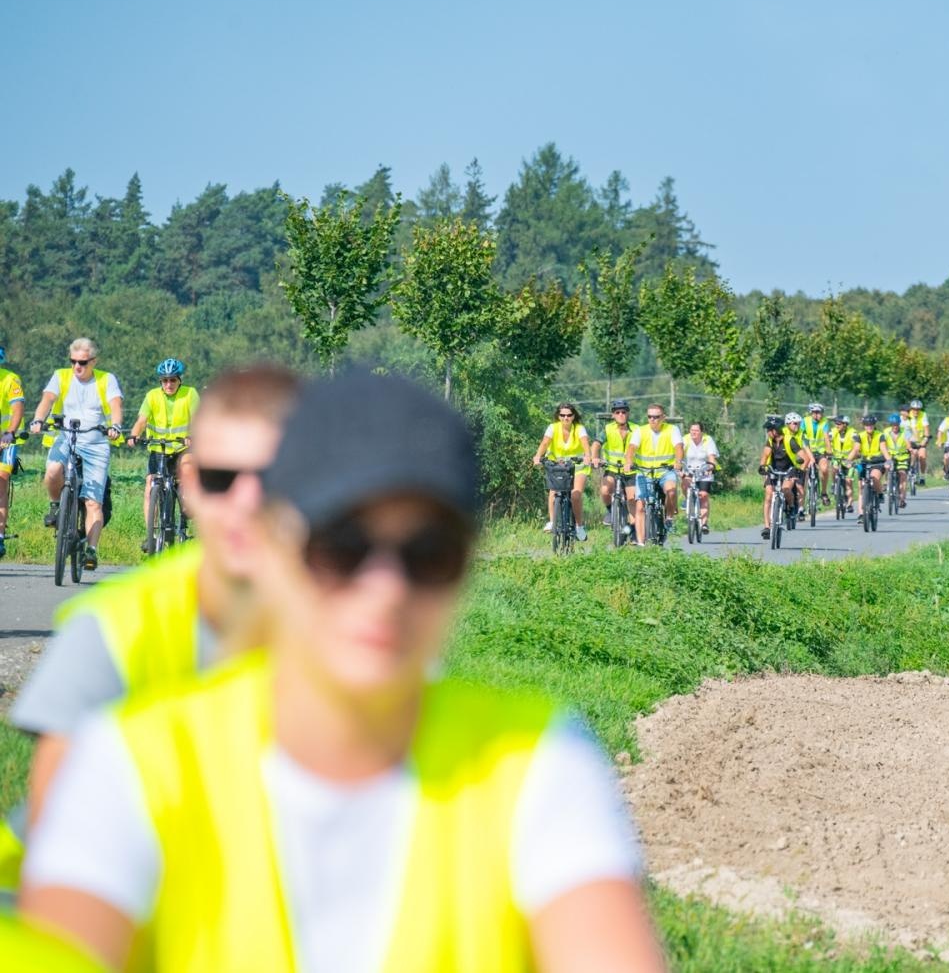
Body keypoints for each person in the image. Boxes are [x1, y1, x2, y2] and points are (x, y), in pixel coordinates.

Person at [21, 372, 666, 973]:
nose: (384, 589)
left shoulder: (540, 763)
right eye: (343, 548)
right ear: (271, 545)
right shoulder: (135, 765)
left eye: (428, 555)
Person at [4, 366, 301, 889]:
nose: (246, 502)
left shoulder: (369, 623)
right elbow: (54, 852)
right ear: (193, 483)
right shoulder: (108, 633)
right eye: (220, 478)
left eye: (273, 478)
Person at [29, 339, 123, 571]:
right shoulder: (60, 376)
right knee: (52, 471)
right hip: (66, 438)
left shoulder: (105, 379)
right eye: (73, 362)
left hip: (95, 444)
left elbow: (115, 405)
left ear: (93, 361)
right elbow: (47, 400)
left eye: (82, 362)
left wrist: (116, 425)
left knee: (93, 502)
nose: (77, 367)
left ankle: (91, 550)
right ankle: (55, 506)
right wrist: (38, 420)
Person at [127, 358, 201, 554]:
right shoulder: (152, 396)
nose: (168, 385)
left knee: (187, 468)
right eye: (165, 381)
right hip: (158, 449)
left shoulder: (190, 394)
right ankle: (151, 535)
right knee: (150, 485)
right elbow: (142, 420)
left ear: (179, 381)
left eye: (173, 381)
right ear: (160, 382)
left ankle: (187, 503)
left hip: (181, 448)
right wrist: (134, 435)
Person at [622, 404, 683, 544]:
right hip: (645, 472)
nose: (653, 420)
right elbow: (631, 448)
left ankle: (668, 518)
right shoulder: (640, 431)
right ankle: (641, 543)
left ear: (663, 417)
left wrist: (678, 461)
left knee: (671, 491)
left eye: (656, 417)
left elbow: (679, 447)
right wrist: (629, 461)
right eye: (650, 416)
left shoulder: (672, 430)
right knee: (640, 505)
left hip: (665, 471)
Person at [533, 402, 592, 542]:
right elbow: (545, 442)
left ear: (573, 416)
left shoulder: (579, 428)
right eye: (562, 415)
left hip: (577, 466)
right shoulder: (552, 428)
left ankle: (579, 527)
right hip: (557, 466)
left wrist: (588, 456)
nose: (566, 418)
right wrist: (537, 456)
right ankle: (553, 522)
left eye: (569, 415)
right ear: (558, 416)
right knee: (553, 492)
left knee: (575, 495)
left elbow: (585, 442)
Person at [759, 414, 812, 539]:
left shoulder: (790, 440)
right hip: (773, 469)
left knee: (786, 489)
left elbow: (805, 458)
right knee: (768, 494)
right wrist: (762, 466)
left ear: (775, 430)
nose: (767, 432)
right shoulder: (770, 441)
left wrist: (800, 471)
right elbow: (765, 455)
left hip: (789, 469)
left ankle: (792, 507)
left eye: (769, 430)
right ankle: (767, 527)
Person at [592, 399, 638, 535]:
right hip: (613, 468)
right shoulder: (608, 429)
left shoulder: (636, 429)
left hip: (631, 470)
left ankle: (635, 531)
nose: (621, 414)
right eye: (617, 412)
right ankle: (611, 510)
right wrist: (595, 457)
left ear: (628, 413)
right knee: (605, 490)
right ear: (613, 415)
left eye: (624, 412)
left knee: (632, 499)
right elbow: (596, 444)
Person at [0, 345, 25, 559]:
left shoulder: (10, 379)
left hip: (5, 440)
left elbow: (17, 408)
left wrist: (9, 433)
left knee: (1, 480)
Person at [682, 420, 719, 535]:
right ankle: (687, 499)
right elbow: (679, 454)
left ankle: (704, 524)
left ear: (701, 432)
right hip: (689, 469)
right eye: (692, 430)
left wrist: (711, 467)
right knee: (685, 483)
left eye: (696, 430)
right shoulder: (685, 439)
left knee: (703, 495)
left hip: (703, 471)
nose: (694, 433)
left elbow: (711, 457)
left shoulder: (708, 440)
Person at [850, 414, 888, 521]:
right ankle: (862, 514)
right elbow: (856, 450)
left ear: (874, 425)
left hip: (878, 462)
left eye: (871, 424)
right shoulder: (860, 436)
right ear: (864, 426)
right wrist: (848, 460)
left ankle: (880, 494)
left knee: (874, 477)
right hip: (864, 462)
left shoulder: (880, 435)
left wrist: (888, 460)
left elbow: (884, 449)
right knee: (862, 486)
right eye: (867, 425)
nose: (869, 426)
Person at [800, 403, 832, 504]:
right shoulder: (805, 421)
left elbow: (826, 437)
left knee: (824, 468)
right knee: (802, 474)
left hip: (820, 451)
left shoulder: (824, 422)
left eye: (820, 413)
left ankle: (823, 492)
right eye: (815, 413)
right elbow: (800, 436)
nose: (818, 415)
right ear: (811, 413)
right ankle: (800, 505)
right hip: (807, 450)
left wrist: (829, 450)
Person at [829, 414, 857, 512]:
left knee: (848, 482)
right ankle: (833, 484)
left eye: (839, 424)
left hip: (849, 460)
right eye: (836, 423)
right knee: (834, 468)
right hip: (837, 458)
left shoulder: (852, 433)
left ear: (845, 424)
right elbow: (827, 440)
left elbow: (857, 446)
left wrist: (853, 457)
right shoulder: (833, 432)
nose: (836, 425)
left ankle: (849, 504)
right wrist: (827, 451)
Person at [883, 414, 911, 509]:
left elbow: (908, 442)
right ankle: (886, 482)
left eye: (896, 424)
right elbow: (882, 443)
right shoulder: (886, 432)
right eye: (893, 424)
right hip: (890, 456)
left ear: (899, 424)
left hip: (902, 456)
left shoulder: (905, 431)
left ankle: (902, 499)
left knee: (902, 475)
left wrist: (909, 448)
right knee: (887, 466)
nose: (895, 426)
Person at [903, 399, 930, 485]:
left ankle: (922, 476)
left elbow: (926, 429)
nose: (916, 411)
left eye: (918, 409)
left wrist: (925, 439)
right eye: (914, 409)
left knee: (922, 456)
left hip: (920, 441)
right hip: (909, 440)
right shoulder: (907, 415)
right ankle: (908, 470)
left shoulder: (923, 415)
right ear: (911, 409)